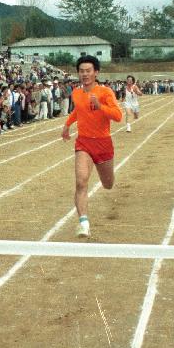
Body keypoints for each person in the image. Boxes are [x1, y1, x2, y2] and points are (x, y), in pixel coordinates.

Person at [61, 55, 122, 238]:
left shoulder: (105, 92)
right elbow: (78, 110)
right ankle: (84, 223)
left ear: (96, 72)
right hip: (84, 142)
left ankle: (85, 221)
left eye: (88, 71)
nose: (85, 74)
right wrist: (67, 125)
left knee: (108, 184)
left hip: (103, 143)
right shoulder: (76, 93)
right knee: (81, 181)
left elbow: (118, 116)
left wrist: (100, 106)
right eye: (81, 71)